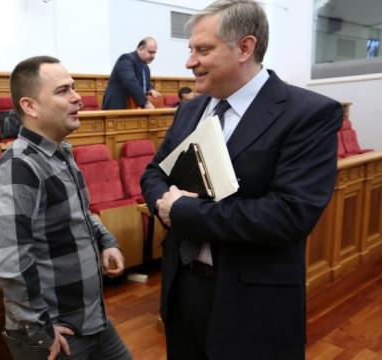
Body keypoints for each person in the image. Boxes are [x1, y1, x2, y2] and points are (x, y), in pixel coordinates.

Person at [140, 1, 343, 359]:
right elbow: (155, 172)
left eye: (203, 50)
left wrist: (183, 210)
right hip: (183, 288)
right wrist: (163, 202)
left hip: (253, 302)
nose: (189, 62)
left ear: (245, 48)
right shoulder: (190, 109)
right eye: (191, 50)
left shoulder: (309, 113)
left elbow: (289, 214)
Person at [0, 56, 131, 360]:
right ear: (30, 106)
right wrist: (40, 329)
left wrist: (106, 241)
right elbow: (11, 261)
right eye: (63, 90)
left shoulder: (61, 153)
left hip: (93, 321)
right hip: (55, 334)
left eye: (75, 88)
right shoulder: (18, 165)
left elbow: (80, 213)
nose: (77, 97)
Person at [102, 37, 161, 110]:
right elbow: (131, 82)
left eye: (154, 53)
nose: (153, 56)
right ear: (140, 48)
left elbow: (145, 85)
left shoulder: (146, 68)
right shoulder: (126, 59)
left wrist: (150, 89)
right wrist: (145, 103)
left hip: (134, 107)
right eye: (150, 52)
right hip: (118, 106)